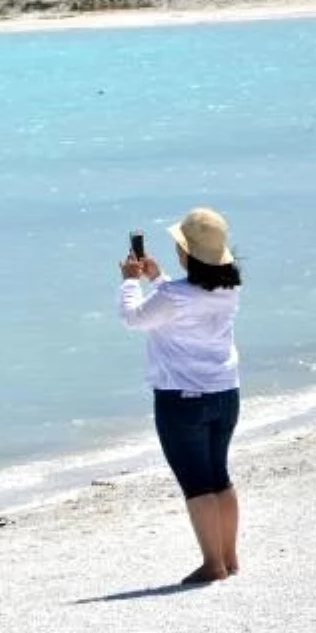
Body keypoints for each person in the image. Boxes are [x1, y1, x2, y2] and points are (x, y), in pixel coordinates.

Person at [118, 207, 243, 585]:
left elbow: (133, 318)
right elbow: (184, 299)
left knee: (196, 483)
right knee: (219, 476)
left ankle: (212, 564)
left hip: (182, 398)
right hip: (225, 392)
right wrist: (157, 278)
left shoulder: (174, 296)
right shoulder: (229, 289)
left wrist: (129, 281)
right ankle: (229, 557)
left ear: (187, 253)